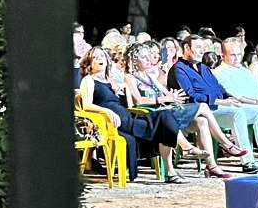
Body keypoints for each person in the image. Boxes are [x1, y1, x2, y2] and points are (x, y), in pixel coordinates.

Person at [124, 42, 245, 179]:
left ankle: (212, 165)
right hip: (150, 117)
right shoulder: (130, 77)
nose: (148, 59)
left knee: (202, 121)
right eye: (144, 57)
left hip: (167, 112)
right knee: (203, 107)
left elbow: (167, 94)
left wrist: (173, 97)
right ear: (134, 60)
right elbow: (138, 101)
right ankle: (226, 144)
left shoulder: (150, 77)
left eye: (148, 56)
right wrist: (161, 100)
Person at [79, 47, 194, 183]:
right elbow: (86, 105)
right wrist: (106, 111)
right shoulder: (88, 80)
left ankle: (173, 168)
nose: (99, 59)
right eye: (95, 57)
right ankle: (185, 149)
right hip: (111, 121)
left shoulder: (110, 81)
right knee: (162, 121)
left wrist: (120, 90)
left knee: (165, 116)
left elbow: (127, 103)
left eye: (102, 56)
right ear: (89, 63)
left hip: (125, 115)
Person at [170, 35, 258, 171]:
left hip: (217, 107)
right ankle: (247, 160)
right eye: (198, 47)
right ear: (186, 48)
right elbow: (191, 96)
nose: (201, 51)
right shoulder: (179, 69)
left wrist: (228, 100)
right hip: (198, 112)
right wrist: (222, 101)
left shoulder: (204, 68)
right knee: (238, 112)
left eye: (203, 48)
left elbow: (219, 89)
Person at [215, 39, 258, 124]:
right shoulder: (219, 72)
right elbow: (237, 96)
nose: (237, 58)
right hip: (242, 108)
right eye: (233, 55)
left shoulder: (244, 71)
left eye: (239, 55)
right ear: (222, 55)